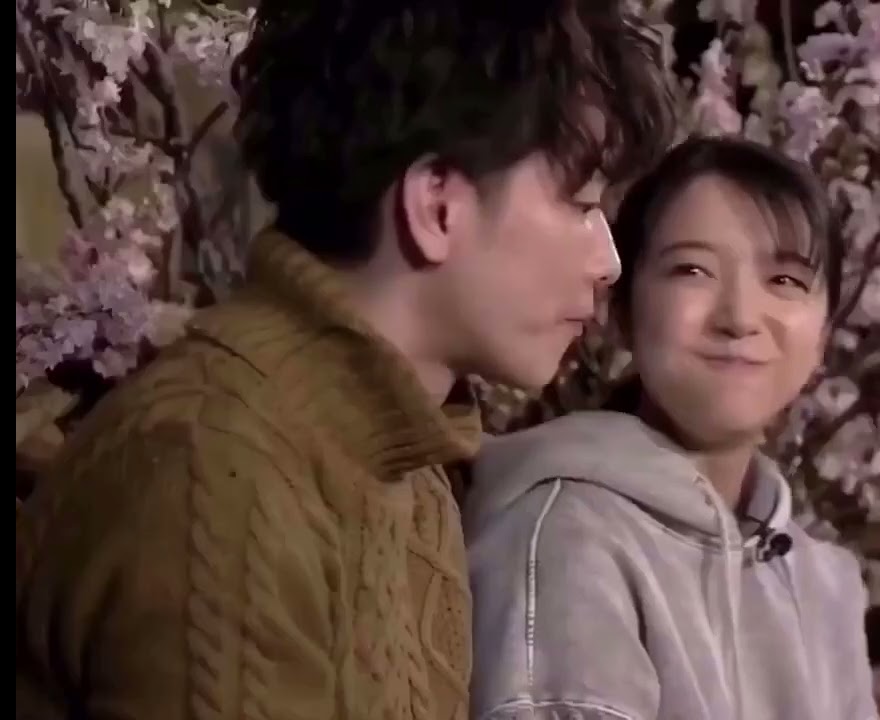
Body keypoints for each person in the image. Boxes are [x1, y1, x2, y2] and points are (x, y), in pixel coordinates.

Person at [15, 1, 676, 718]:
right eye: (581, 204)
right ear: (437, 206)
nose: (609, 261)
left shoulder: (408, 462)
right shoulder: (211, 461)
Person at [465, 136, 879, 720]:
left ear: (824, 335)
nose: (739, 317)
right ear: (622, 313)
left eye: (785, 280)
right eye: (692, 270)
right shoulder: (566, 532)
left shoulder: (825, 585)